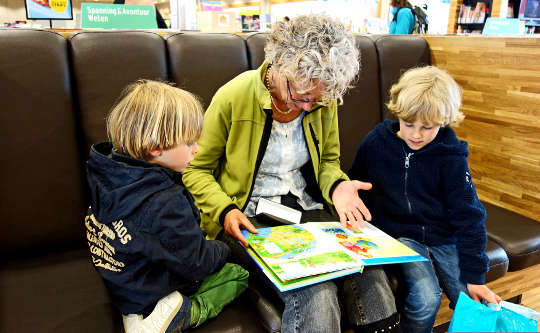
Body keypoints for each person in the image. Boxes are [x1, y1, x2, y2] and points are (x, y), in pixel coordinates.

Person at [183, 14, 400, 333]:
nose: (308, 107)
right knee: (316, 289)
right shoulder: (235, 96)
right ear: (280, 61)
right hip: (248, 216)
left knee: (370, 273)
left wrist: (337, 185)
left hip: (306, 211)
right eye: (300, 95)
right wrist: (225, 210)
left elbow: (327, 161)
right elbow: (196, 171)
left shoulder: (321, 101)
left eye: (318, 99)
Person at [84, 80, 248, 332]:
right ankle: (184, 313)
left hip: (122, 285)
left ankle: (135, 315)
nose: (197, 149)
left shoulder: (108, 171)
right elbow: (198, 263)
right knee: (238, 275)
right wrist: (226, 247)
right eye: (190, 143)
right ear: (155, 147)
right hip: (153, 289)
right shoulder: (165, 202)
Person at [349, 66, 502, 333]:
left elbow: (469, 216)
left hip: (445, 238)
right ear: (398, 114)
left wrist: (475, 276)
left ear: (444, 122)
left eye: (427, 127)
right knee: (427, 298)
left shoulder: (451, 157)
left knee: (471, 299)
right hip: (401, 237)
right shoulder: (377, 142)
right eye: (409, 125)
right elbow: (355, 185)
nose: (416, 135)